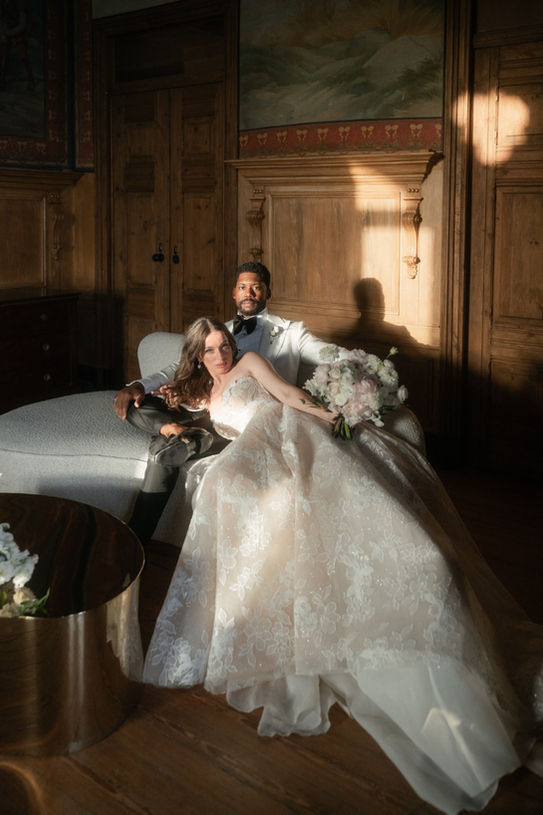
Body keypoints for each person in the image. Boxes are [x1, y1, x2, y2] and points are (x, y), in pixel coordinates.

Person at [142, 316, 543, 815]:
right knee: (230, 486)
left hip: (282, 429)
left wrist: (329, 417)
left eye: (224, 344)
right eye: (210, 350)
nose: (221, 354)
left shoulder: (249, 363)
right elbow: (152, 392)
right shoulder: (199, 393)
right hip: (246, 450)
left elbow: (287, 395)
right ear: (198, 356)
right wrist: (144, 402)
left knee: (338, 491)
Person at [113, 261, 337, 543]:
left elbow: (291, 389)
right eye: (243, 287)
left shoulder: (285, 335)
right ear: (234, 292)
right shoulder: (216, 335)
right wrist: (138, 386)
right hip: (207, 414)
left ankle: (134, 536)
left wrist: (345, 392)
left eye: (256, 287)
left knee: (162, 449)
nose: (220, 356)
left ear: (267, 292)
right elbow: (174, 369)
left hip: (249, 427)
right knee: (139, 406)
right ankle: (174, 430)